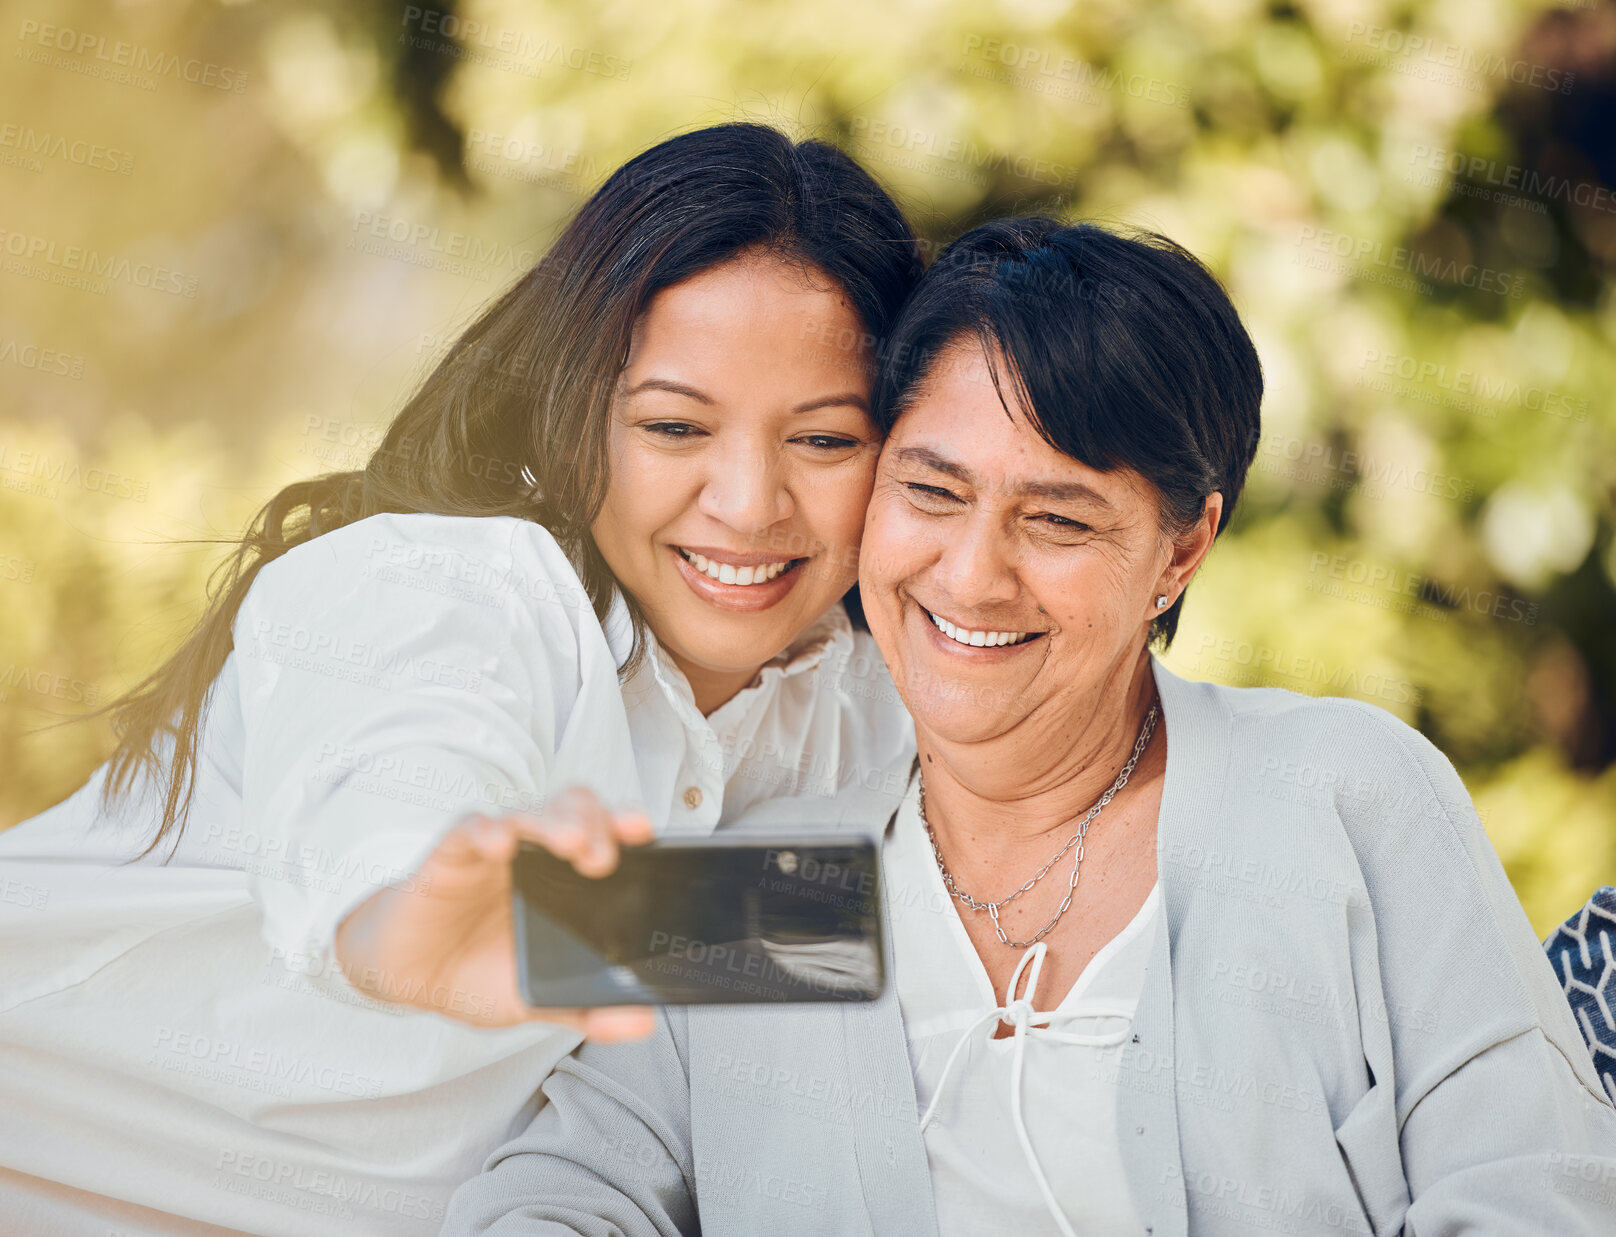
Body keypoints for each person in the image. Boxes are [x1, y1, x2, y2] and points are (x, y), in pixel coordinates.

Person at [442, 218, 1616, 1237]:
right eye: (930, 492)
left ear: (1181, 548)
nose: (970, 574)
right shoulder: (777, 870)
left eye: (1057, 518)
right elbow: (562, 1180)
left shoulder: (1340, 798)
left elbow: (1532, 1189)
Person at [0, 123, 921, 1236]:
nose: (747, 501)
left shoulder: (876, 704)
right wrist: (407, 920)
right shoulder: (439, 586)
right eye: (673, 426)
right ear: (570, 406)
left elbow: (909, 940)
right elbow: (393, 789)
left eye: (824, 441)